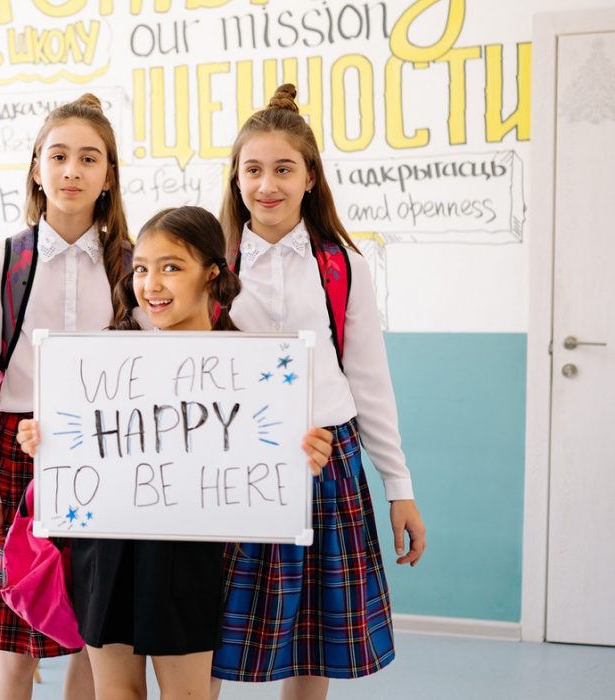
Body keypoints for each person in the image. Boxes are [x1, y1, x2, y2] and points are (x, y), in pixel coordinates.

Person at [17, 206, 334, 700]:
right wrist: (42, 438)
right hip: (108, 544)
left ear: (211, 273)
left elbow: (271, 457)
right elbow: (71, 438)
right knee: (116, 692)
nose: (152, 283)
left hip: (192, 549)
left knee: (188, 695)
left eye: (171, 266)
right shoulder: (106, 354)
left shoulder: (249, 366)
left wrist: (305, 455)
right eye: (141, 268)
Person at [211, 84, 427, 700]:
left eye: (284, 169)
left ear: (311, 178)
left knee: (314, 636)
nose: (267, 185)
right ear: (235, 178)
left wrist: (399, 487)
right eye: (252, 170)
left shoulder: (342, 264)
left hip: (326, 460)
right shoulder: (210, 262)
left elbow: (370, 379)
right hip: (231, 467)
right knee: (210, 628)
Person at [0, 93, 133, 700]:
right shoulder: (4, 259)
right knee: (15, 632)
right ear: (37, 167)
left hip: (105, 453)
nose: (72, 171)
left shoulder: (130, 265)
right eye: (58, 156)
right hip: (15, 451)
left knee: (93, 628)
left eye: (89, 159)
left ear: (108, 176)